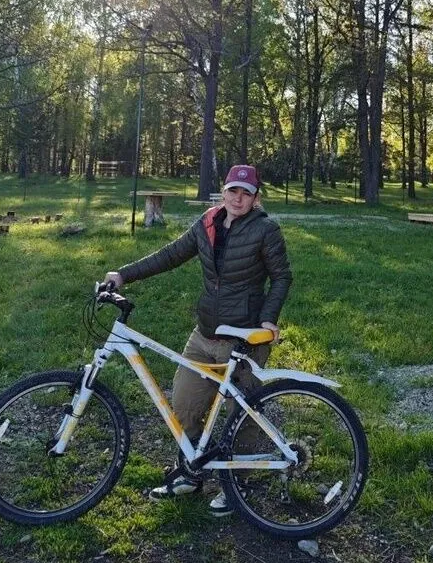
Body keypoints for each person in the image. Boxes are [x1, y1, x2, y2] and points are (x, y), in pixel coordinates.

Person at [102, 164, 292, 516]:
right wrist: (124, 275)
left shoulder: (266, 230)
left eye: (246, 193)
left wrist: (269, 317)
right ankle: (191, 473)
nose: (238, 199)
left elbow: (282, 277)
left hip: (244, 338)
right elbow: (171, 255)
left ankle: (238, 485)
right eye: (233, 191)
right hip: (204, 333)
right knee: (185, 402)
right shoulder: (208, 223)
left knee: (242, 413)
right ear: (223, 191)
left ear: (256, 198)